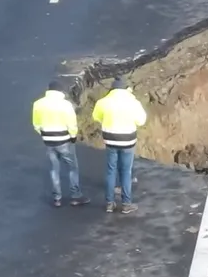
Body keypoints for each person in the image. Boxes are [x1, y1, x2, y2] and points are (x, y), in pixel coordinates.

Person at [91, 76, 147, 214]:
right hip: (128, 140)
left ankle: (109, 203)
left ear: (112, 89)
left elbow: (96, 117)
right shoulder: (133, 102)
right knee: (126, 172)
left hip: (110, 140)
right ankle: (126, 204)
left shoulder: (103, 102)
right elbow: (141, 121)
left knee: (111, 170)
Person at [31, 80, 89, 208]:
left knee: (54, 169)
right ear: (60, 91)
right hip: (64, 140)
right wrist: (73, 136)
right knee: (72, 167)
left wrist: (44, 134)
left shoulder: (38, 104)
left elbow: (36, 124)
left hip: (48, 141)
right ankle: (75, 196)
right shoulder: (65, 105)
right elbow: (71, 123)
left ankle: (57, 198)